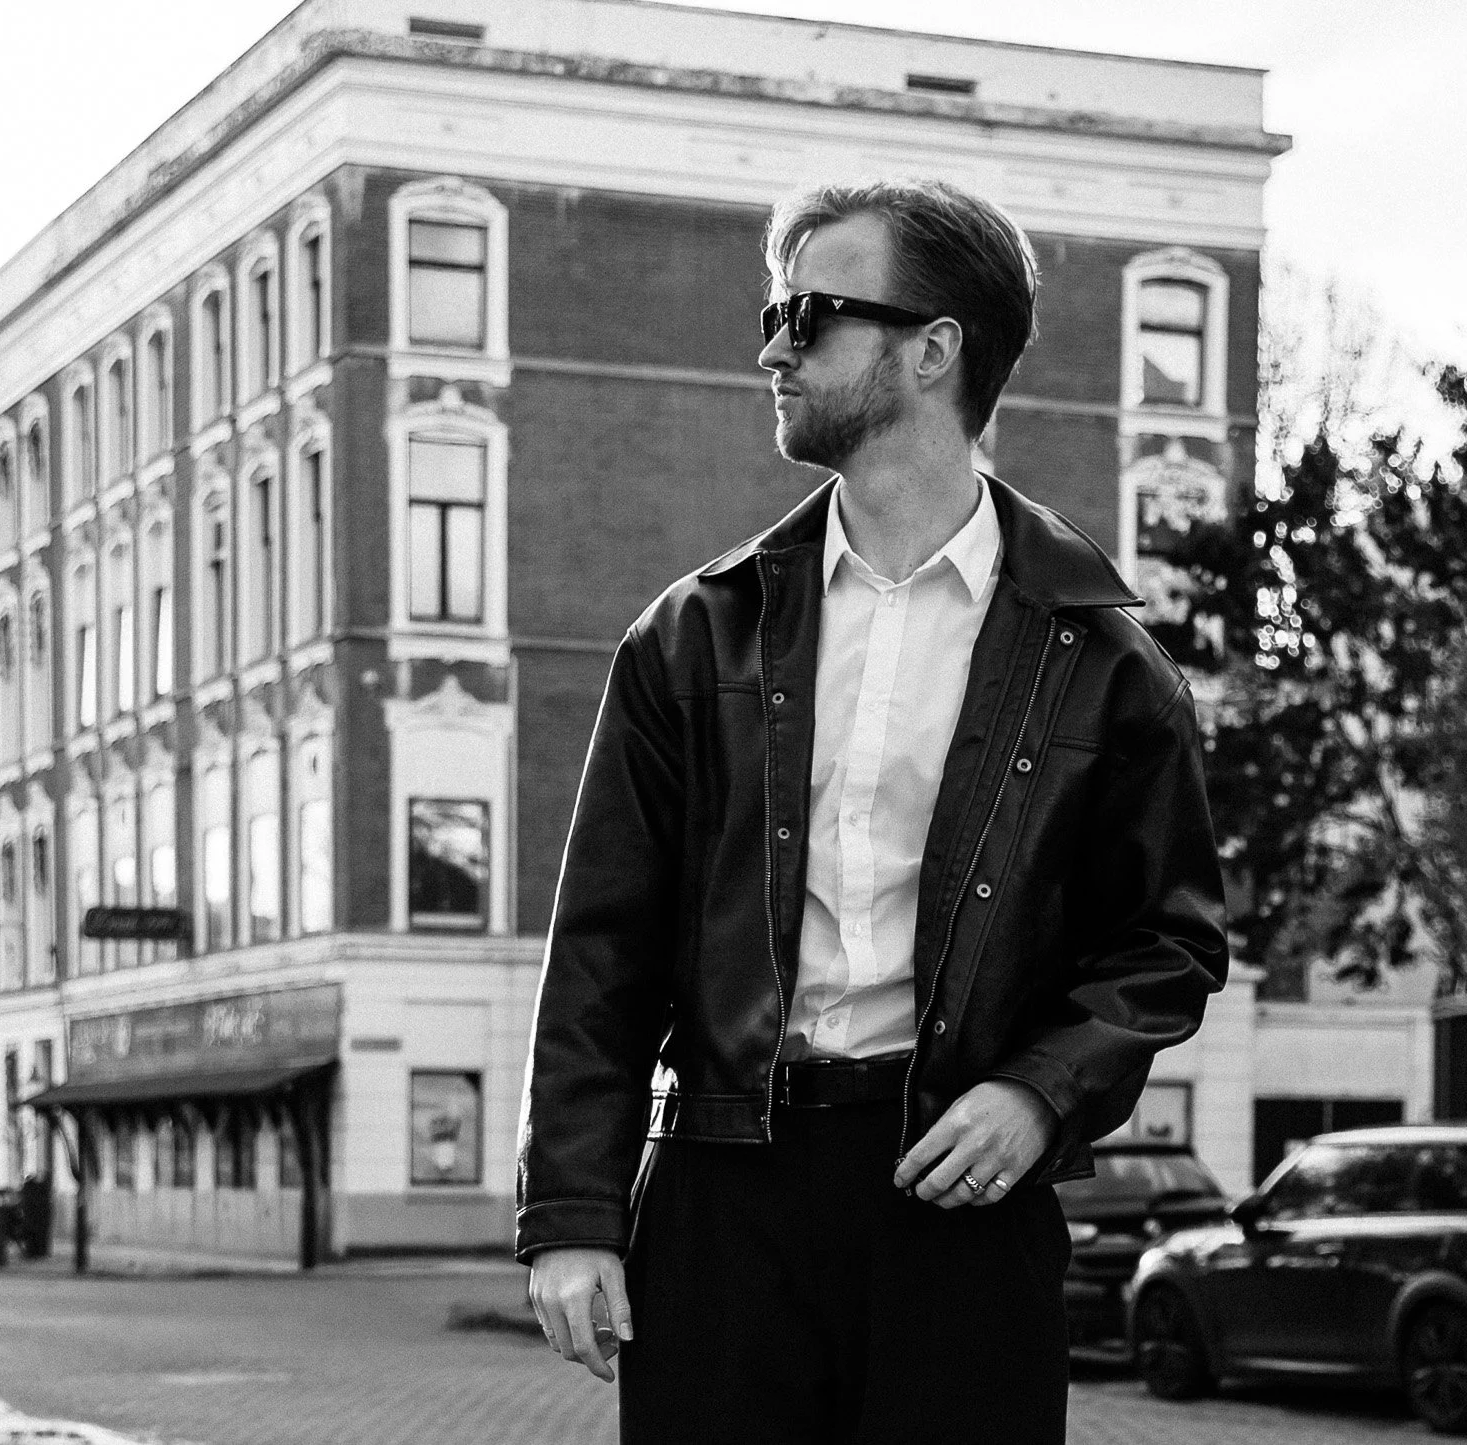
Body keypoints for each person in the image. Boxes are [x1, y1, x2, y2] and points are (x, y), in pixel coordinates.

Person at [515, 179, 1228, 1444]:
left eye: (809, 313)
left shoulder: (1102, 658)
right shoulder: (693, 634)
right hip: (721, 1192)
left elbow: (1164, 943)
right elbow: (601, 948)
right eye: (771, 311)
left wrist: (1037, 1093)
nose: (771, 346)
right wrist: (574, 1214)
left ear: (932, 347)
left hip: (958, 1199)